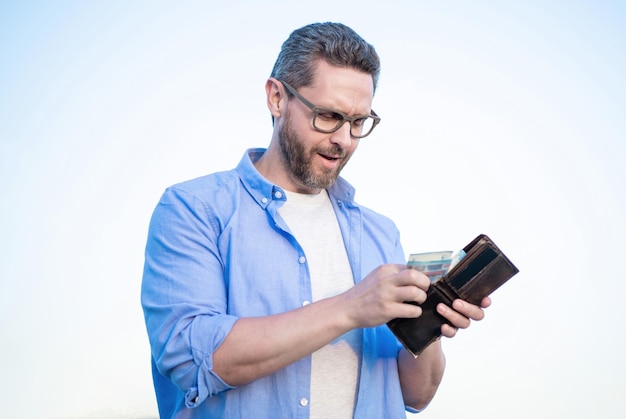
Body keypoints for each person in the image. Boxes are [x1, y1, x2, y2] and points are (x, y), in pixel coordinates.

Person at [141, 22, 490, 418]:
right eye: (328, 115)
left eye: (358, 122)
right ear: (276, 97)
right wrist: (350, 308)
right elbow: (191, 360)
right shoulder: (193, 209)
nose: (344, 138)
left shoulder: (380, 233)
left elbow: (415, 395)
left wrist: (430, 325)